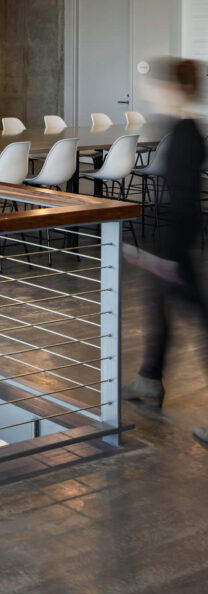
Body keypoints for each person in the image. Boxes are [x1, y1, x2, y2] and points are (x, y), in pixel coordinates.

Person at [120, 59, 208, 449]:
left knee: (202, 322)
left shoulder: (186, 135)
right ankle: (149, 378)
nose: (150, 88)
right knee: (157, 303)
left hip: (176, 245)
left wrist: (166, 258)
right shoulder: (181, 128)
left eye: (156, 83)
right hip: (174, 243)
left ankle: (150, 378)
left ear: (173, 87)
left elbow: (187, 201)